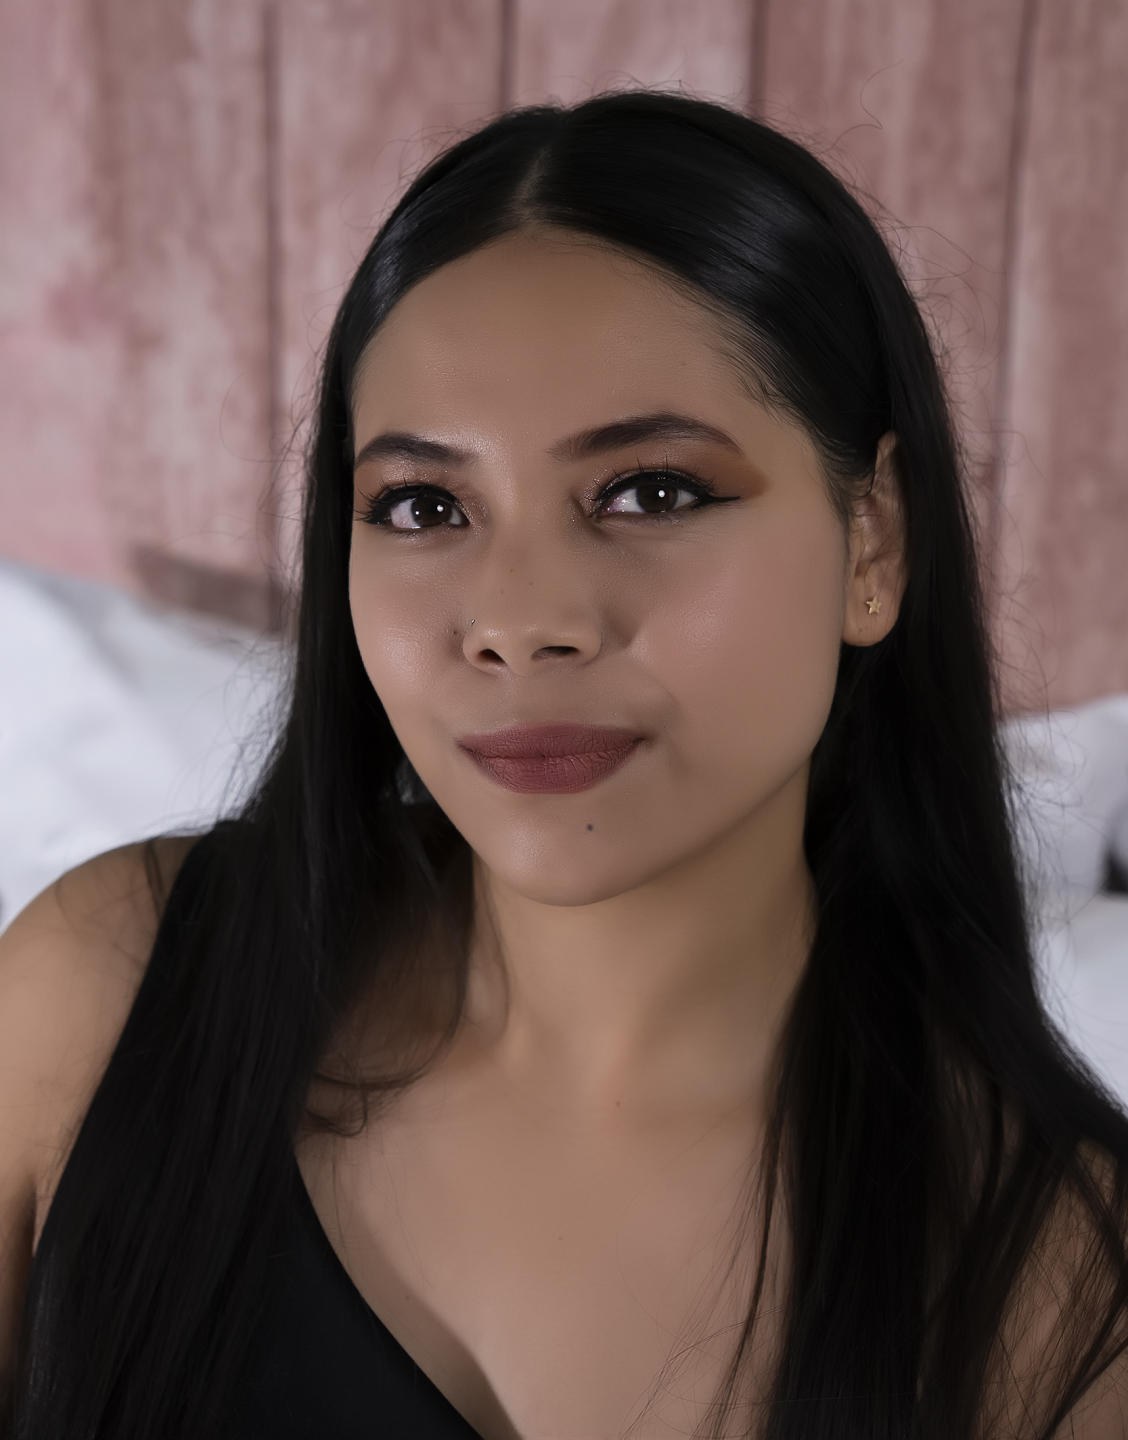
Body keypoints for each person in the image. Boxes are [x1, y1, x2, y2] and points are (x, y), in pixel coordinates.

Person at [2, 87, 1126, 1440]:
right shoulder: (105, 992)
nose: (522, 619)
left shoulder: (1060, 1282)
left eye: (652, 491)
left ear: (872, 539)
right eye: (424, 505)